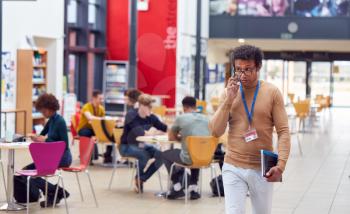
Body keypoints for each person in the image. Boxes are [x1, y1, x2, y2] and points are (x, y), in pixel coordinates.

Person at [209, 45, 290, 214]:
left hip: (262, 167)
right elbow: (216, 131)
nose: (242, 75)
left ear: (258, 67)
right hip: (233, 165)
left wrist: (280, 165)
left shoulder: (272, 92)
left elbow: (283, 132)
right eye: (238, 70)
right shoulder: (228, 93)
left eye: (248, 69)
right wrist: (228, 100)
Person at [23, 94, 72, 207]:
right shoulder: (50, 121)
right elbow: (42, 135)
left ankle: (54, 192)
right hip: (52, 156)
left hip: (63, 157)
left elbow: (64, 145)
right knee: (26, 171)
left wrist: (45, 140)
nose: (42, 113)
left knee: (28, 173)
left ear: (50, 108)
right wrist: (36, 137)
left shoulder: (60, 122)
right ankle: (55, 191)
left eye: (44, 111)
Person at [162, 96, 210, 200]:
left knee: (164, 155)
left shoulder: (181, 118)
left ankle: (177, 186)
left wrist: (182, 139)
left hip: (188, 158)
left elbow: (171, 137)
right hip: (205, 157)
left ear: (184, 107)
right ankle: (193, 188)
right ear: (196, 106)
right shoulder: (206, 118)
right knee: (196, 151)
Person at [119, 94, 167, 193]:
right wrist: (152, 132)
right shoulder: (131, 115)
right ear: (140, 105)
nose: (149, 109)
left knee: (161, 156)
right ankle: (139, 179)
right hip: (126, 146)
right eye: (147, 106)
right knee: (144, 155)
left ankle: (141, 179)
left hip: (141, 145)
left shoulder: (151, 117)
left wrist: (157, 131)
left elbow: (164, 128)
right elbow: (139, 133)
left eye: (150, 107)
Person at [76, 90, 108, 162]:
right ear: (94, 98)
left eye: (102, 99)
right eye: (100, 98)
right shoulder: (86, 107)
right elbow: (89, 117)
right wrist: (101, 118)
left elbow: (104, 120)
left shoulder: (101, 108)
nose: (102, 100)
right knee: (87, 133)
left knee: (110, 133)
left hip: (95, 129)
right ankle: (87, 156)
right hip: (84, 128)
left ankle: (108, 155)